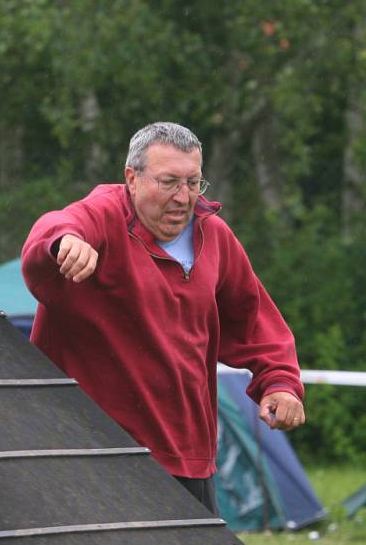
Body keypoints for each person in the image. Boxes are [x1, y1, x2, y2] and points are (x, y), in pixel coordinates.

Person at [20, 121, 305, 513]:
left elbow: (254, 321)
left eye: (193, 183)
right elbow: (52, 228)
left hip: (188, 455)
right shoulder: (104, 216)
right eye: (169, 182)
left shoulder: (216, 237)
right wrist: (64, 242)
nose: (183, 197)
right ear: (132, 178)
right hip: (95, 455)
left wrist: (280, 383)